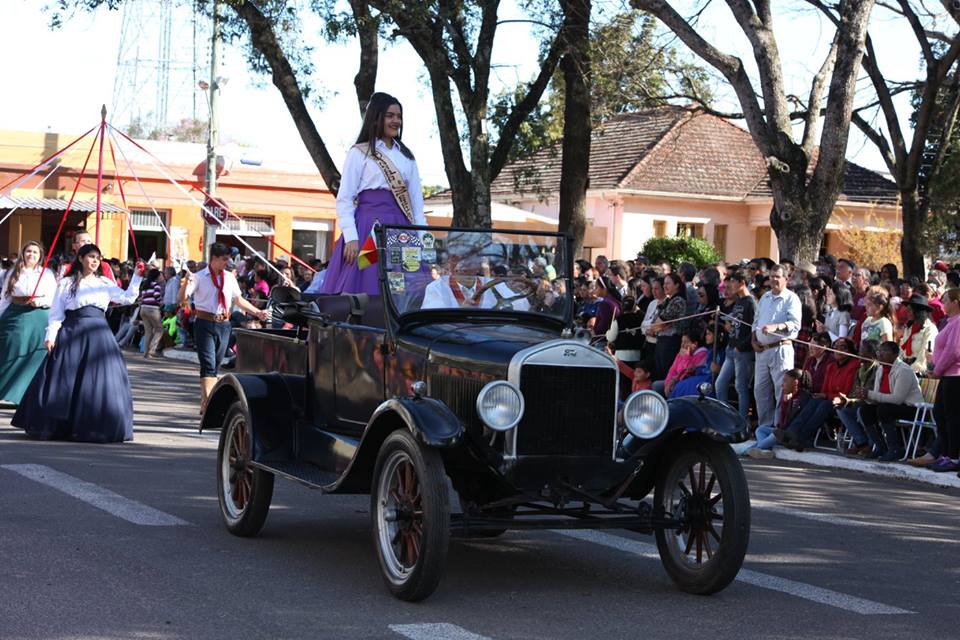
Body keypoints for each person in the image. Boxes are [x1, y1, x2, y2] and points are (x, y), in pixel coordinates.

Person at [12, 244, 143, 442]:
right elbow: (56, 312)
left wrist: (137, 277)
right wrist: (51, 335)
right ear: (80, 258)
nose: (95, 261)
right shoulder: (67, 283)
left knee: (99, 380)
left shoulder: (105, 282)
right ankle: (60, 425)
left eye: (98, 258)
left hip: (99, 334)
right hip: (72, 331)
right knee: (64, 379)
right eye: (91, 257)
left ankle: (97, 425)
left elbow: (127, 297)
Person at [321, 92, 427, 295]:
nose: (396, 121)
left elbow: (416, 206)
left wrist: (422, 240)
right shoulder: (359, 153)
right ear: (376, 118)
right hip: (366, 227)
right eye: (390, 115)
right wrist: (351, 237)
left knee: (402, 289)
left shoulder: (407, 157)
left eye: (399, 116)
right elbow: (344, 199)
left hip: (400, 229)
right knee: (365, 280)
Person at [180, 242, 271, 412]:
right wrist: (185, 283)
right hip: (204, 323)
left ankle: (205, 400)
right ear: (213, 258)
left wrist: (258, 312)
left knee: (215, 364)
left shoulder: (229, 277)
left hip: (224, 324)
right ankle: (209, 405)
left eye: (228, 259)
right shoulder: (199, 277)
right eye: (224, 259)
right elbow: (182, 298)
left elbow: (238, 300)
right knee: (208, 364)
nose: (227, 263)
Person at [0, 241, 58, 405]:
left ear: (40, 256)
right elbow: (5, 297)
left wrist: (39, 302)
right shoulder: (12, 272)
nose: (31, 255)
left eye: (35, 252)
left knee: (33, 354)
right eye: (28, 251)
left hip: (38, 315)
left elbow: (54, 297)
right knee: (9, 349)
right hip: (15, 313)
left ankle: (23, 396)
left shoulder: (46, 274)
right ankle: (4, 391)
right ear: (22, 253)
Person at [850, 341, 924, 461]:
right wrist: (865, 396)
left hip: (913, 409)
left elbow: (897, 399)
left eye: (884, 351)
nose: (880, 354)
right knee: (865, 410)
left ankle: (894, 449)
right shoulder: (880, 369)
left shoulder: (903, 370)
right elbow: (876, 397)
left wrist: (870, 394)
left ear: (895, 355)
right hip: (890, 407)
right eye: (879, 351)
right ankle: (880, 447)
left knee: (884, 409)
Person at [752, 264, 801, 428]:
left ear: (786, 279)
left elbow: (795, 324)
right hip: (762, 350)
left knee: (782, 390)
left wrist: (776, 327)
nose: (773, 279)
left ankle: (779, 426)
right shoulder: (765, 297)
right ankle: (765, 427)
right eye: (772, 276)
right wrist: (753, 338)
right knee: (760, 391)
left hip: (781, 348)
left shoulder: (791, 298)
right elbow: (756, 321)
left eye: (777, 276)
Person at [923, 288, 960, 472]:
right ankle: (945, 454)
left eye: (945, 300)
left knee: (952, 417)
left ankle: (953, 456)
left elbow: (953, 351)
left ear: (955, 302)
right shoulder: (950, 322)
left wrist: (937, 369)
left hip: (954, 376)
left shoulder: (959, 322)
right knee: (940, 415)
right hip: (945, 375)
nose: (942, 303)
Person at [715, 272, 756, 420]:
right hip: (731, 348)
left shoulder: (751, 302)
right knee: (720, 384)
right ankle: (726, 418)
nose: (730, 286)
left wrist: (742, 346)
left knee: (741, 387)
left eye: (733, 282)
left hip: (742, 351)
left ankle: (742, 420)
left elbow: (754, 328)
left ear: (742, 283)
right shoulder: (739, 301)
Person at [747, 369, 810, 458]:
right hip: (783, 431)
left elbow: (794, 421)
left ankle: (751, 450)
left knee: (775, 435)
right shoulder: (791, 397)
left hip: (792, 435)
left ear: (795, 382)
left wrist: (781, 429)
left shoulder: (803, 399)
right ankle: (766, 451)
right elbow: (784, 419)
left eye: (785, 381)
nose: (782, 385)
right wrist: (785, 403)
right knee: (761, 429)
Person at [837, 339, 880, 456]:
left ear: (872, 354)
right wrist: (846, 400)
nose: (859, 353)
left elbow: (870, 393)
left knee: (862, 411)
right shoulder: (860, 370)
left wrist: (852, 400)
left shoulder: (877, 370)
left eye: (862, 350)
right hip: (860, 402)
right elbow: (855, 391)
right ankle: (862, 443)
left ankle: (872, 444)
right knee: (841, 409)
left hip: (873, 404)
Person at [649, 273, 687, 379]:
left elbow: (660, 322)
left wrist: (659, 326)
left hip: (670, 342)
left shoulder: (678, 301)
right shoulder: (668, 301)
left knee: (666, 374)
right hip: (662, 340)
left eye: (668, 283)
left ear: (677, 285)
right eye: (664, 283)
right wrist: (659, 326)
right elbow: (654, 324)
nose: (665, 286)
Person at [898, 294, 938, 375]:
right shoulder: (909, 327)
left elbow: (924, 352)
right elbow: (902, 349)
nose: (907, 312)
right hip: (904, 367)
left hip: (916, 371)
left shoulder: (930, 329)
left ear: (918, 311)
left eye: (910, 310)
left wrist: (913, 369)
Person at [139, 263, 165, 358]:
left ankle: (145, 353)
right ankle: (152, 350)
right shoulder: (156, 285)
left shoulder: (145, 285)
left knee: (148, 331)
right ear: (157, 276)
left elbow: (142, 298)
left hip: (143, 309)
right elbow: (156, 296)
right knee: (159, 329)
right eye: (160, 275)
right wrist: (161, 302)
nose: (161, 276)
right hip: (152, 309)